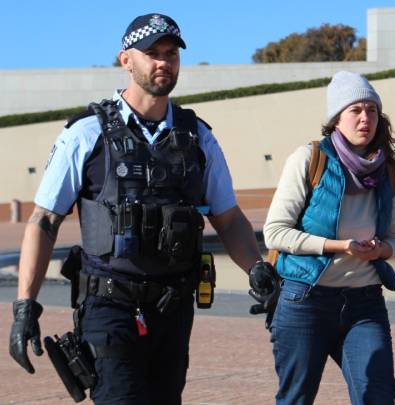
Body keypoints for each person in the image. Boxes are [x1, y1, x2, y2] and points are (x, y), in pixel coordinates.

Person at [8, 13, 277, 404]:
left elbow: (228, 217)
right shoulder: (86, 133)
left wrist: (256, 269)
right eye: (152, 53)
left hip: (173, 310)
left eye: (171, 53)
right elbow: (44, 220)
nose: (163, 62)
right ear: (126, 60)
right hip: (109, 306)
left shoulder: (197, 136)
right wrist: (24, 306)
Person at [263, 70, 395, 405]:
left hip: (365, 303)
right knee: (295, 399)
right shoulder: (308, 159)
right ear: (336, 119)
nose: (364, 118)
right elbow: (275, 232)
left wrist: (382, 250)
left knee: (378, 397)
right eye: (355, 110)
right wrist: (337, 246)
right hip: (305, 300)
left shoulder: (390, 171)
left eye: (371, 110)